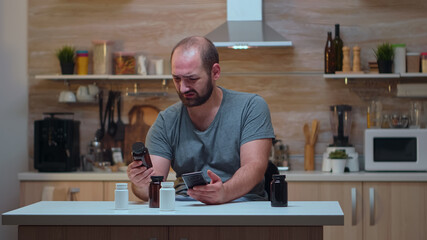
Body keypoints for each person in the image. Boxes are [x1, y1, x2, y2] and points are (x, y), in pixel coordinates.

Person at [127, 36, 274, 205]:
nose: (183, 88)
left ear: (215, 72)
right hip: (184, 205)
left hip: (242, 204)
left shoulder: (251, 107)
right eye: (177, 79)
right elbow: (149, 188)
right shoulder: (165, 121)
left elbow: (255, 166)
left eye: (192, 79)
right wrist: (140, 183)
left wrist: (224, 193)